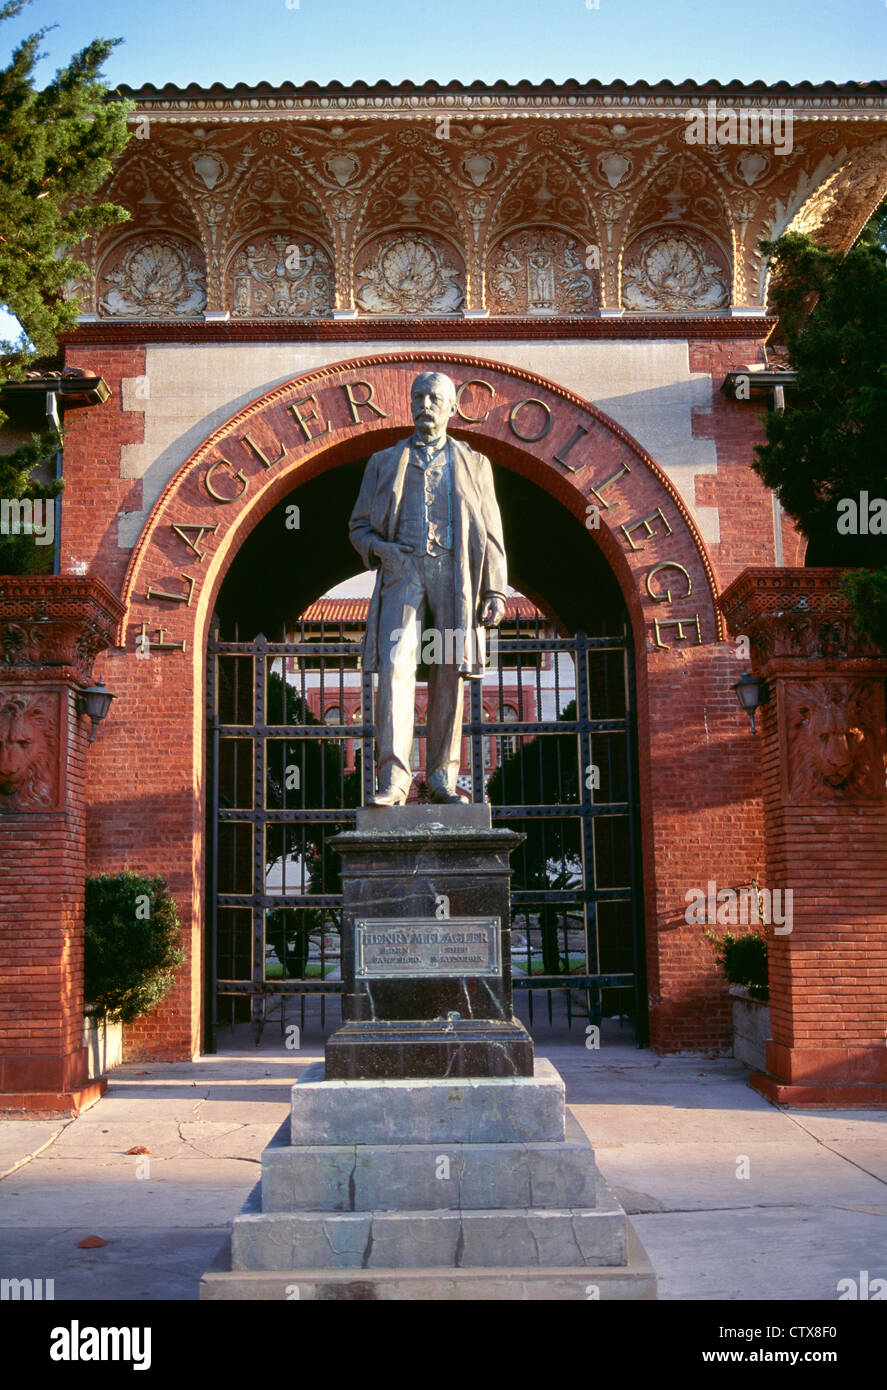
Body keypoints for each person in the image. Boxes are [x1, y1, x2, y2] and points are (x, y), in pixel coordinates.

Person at [348, 371, 507, 805]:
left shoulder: (475, 463)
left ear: (453, 407)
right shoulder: (384, 461)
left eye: (435, 398)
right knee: (396, 667)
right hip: (403, 572)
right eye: (418, 396)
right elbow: (358, 527)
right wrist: (384, 551)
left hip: (454, 576)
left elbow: (491, 530)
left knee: (449, 671)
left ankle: (441, 778)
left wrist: (495, 589)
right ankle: (394, 780)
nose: (425, 404)